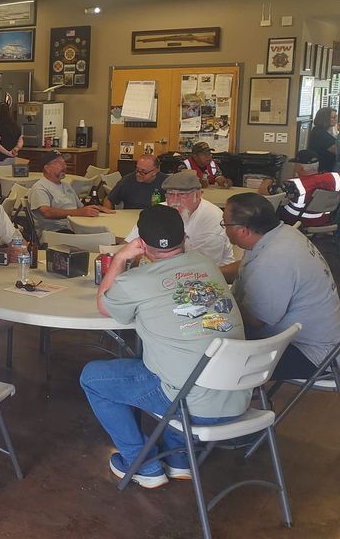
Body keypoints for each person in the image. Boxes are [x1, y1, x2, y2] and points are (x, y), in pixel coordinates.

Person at [80, 204, 249, 488]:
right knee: (177, 362)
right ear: (184, 239)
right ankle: (180, 459)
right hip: (236, 396)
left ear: (142, 245)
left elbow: (104, 305)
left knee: (93, 378)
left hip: (191, 406)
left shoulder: (137, 281)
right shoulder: (207, 265)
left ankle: (141, 463)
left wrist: (121, 257)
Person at [223, 193, 340, 379]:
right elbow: (247, 266)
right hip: (321, 339)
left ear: (242, 231)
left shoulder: (274, 260)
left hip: (310, 353)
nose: (224, 229)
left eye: (225, 224)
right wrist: (214, 273)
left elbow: (255, 320)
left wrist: (218, 301)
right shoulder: (280, 234)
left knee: (215, 357)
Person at [126, 170, 236, 274]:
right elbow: (129, 245)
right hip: (163, 272)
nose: (175, 201)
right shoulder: (158, 211)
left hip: (208, 276)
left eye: (182, 195)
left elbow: (201, 265)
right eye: (170, 194)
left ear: (198, 195)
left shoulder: (212, 218)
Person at [28, 150, 114, 233]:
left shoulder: (66, 185)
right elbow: (46, 212)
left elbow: (80, 207)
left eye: (64, 162)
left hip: (75, 228)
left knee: (107, 230)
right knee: (102, 239)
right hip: (56, 233)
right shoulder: (40, 187)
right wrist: (78, 213)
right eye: (59, 163)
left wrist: (97, 208)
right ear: (47, 168)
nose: (64, 166)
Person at [262, 149, 340, 229]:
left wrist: (267, 180)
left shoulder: (293, 184)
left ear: (300, 168)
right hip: (323, 220)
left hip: (298, 221)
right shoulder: (334, 177)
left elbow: (267, 195)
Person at [308, 107, 338, 173]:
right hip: (324, 170)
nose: (336, 119)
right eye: (333, 117)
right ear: (325, 119)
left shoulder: (325, 131)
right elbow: (337, 151)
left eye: (336, 117)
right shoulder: (320, 133)